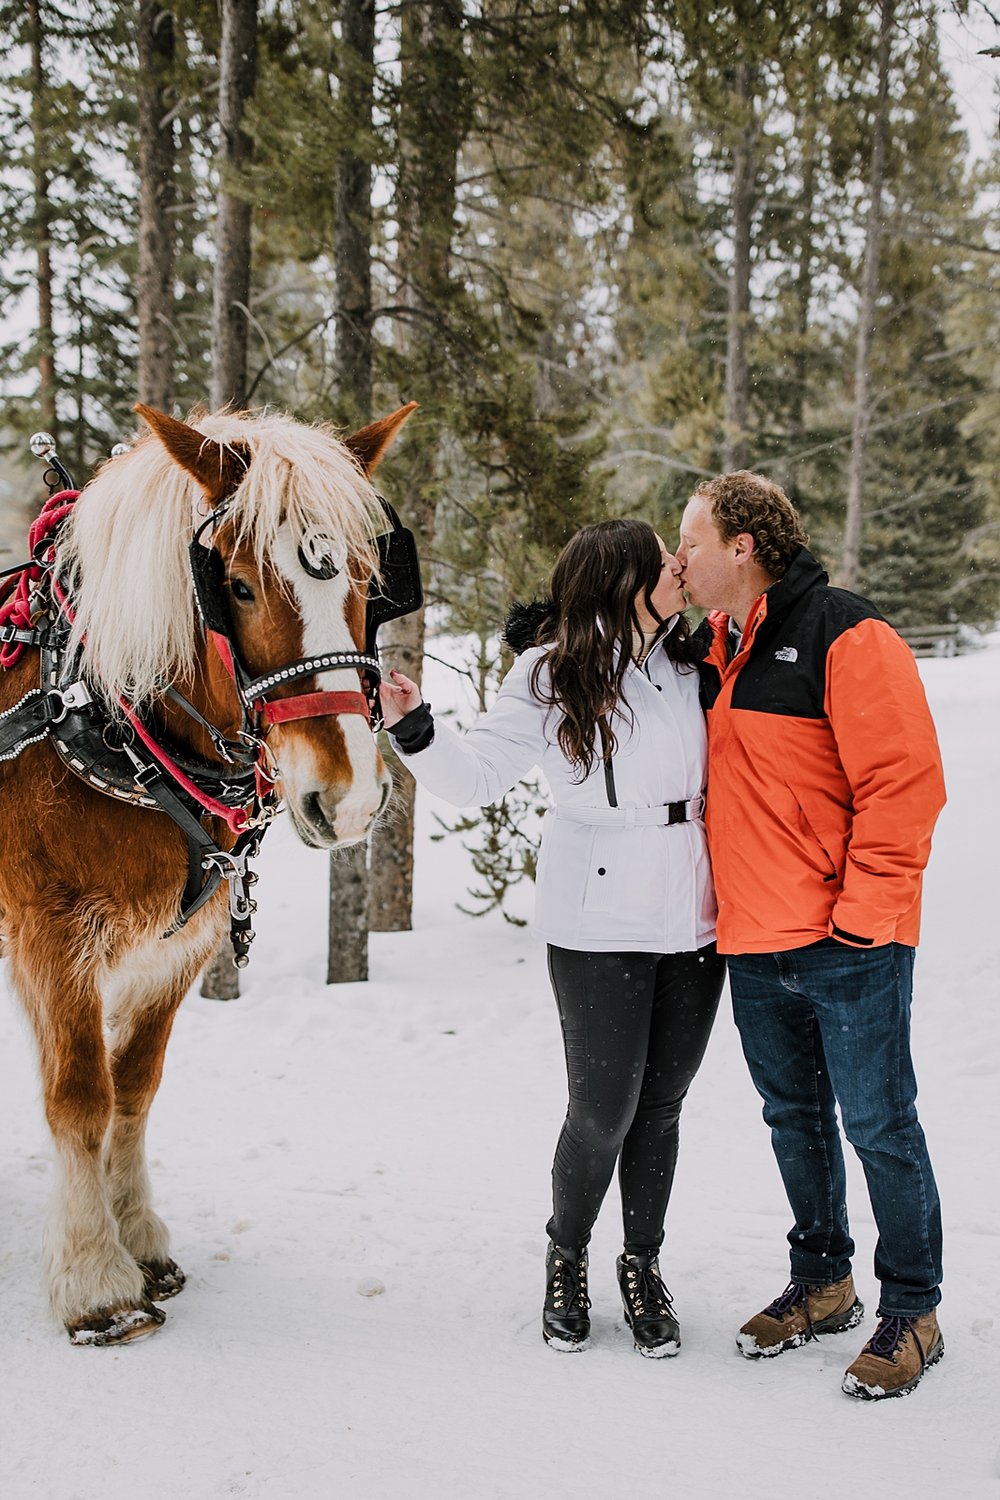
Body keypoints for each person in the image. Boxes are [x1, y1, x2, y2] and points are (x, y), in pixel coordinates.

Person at [380, 519, 725, 1357]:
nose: (681, 571)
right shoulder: (548, 673)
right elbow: (480, 777)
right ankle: (566, 1252)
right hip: (597, 917)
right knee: (604, 1111)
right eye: (665, 564)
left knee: (663, 1108)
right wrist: (415, 725)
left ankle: (641, 1262)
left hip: (694, 914)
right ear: (622, 581)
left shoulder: (692, 665)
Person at [676, 470, 947, 1401]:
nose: (682, 559)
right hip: (755, 939)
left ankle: (912, 1307)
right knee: (793, 1119)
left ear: (743, 549)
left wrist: (864, 918)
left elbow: (905, 786)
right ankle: (824, 1281)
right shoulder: (715, 647)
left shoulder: (845, 631)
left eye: (693, 543)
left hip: (849, 939)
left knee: (879, 1122)